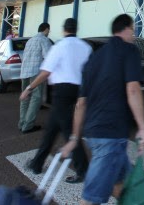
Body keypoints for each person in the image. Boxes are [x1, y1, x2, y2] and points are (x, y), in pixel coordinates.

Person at [61, 14, 144, 205]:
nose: (133, 35)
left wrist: (75, 138)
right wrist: (142, 126)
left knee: (123, 186)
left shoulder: (94, 59)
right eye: (132, 30)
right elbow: (133, 89)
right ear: (126, 29)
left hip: (93, 134)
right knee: (91, 198)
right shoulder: (129, 50)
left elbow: (81, 103)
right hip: (111, 137)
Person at [21, 18, 92, 182]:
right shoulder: (85, 47)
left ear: (64, 30)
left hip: (61, 91)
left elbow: (46, 72)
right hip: (79, 89)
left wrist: (29, 88)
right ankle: (37, 163)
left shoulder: (59, 46)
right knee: (52, 128)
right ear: (76, 29)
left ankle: (83, 170)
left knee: (68, 131)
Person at [18, 22, 53, 134]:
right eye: (49, 30)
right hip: (35, 72)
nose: (49, 33)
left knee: (25, 98)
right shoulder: (44, 40)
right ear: (46, 29)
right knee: (36, 98)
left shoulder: (30, 41)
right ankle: (28, 125)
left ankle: (22, 123)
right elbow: (49, 57)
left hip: (24, 71)